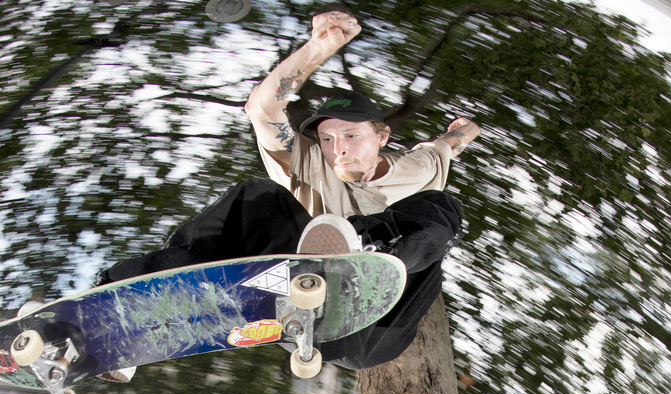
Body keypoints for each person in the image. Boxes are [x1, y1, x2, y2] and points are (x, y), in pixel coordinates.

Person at [95, 11, 480, 371]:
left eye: (351, 135)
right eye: (327, 138)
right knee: (255, 196)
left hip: (379, 327)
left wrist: (464, 128)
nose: (338, 148)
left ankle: (366, 256)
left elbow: (453, 142)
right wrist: (319, 47)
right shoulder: (310, 162)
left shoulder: (419, 165)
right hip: (301, 307)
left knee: (440, 206)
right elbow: (263, 112)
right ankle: (133, 305)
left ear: (382, 135)